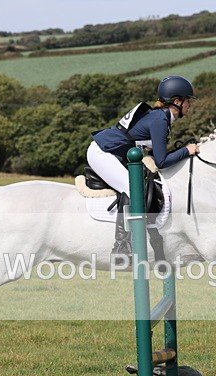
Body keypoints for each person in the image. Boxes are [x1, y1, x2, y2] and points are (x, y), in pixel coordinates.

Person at [87, 75, 199, 257]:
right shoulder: (160, 120)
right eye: (188, 101)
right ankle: (121, 248)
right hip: (102, 152)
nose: (190, 105)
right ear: (177, 101)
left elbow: (157, 158)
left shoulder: (161, 118)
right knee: (134, 190)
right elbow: (162, 161)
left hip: (114, 153)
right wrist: (187, 150)